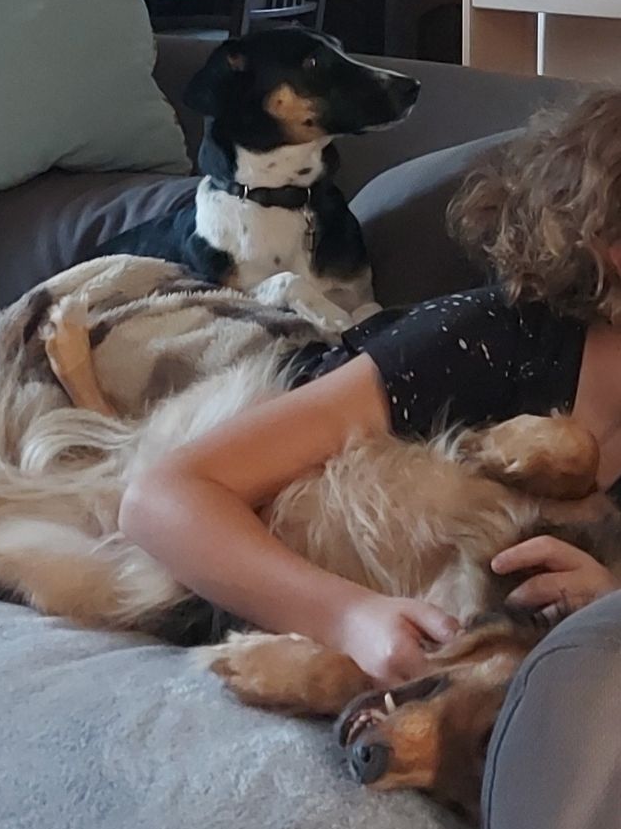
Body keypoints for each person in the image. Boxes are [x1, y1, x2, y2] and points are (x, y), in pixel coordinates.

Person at [119, 89, 621, 688]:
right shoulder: (489, 339)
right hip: (227, 423)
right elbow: (162, 499)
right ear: (609, 247)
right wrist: (349, 619)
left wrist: (607, 605)